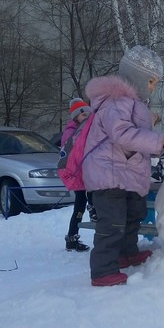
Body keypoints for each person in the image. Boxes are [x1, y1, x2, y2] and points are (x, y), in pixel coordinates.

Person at [82, 46, 164, 287]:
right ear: (138, 78)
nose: (153, 88)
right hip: (109, 173)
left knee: (132, 215)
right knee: (112, 223)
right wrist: (156, 140)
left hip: (126, 174)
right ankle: (103, 270)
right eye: (152, 82)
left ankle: (126, 253)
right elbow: (121, 133)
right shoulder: (117, 101)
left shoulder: (133, 104)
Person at [61, 98, 95, 253]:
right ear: (75, 117)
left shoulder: (86, 129)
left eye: (89, 113)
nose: (87, 117)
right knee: (80, 205)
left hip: (86, 172)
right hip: (78, 174)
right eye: (83, 115)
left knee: (84, 202)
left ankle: (72, 236)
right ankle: (72, 237)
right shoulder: (71, 132)